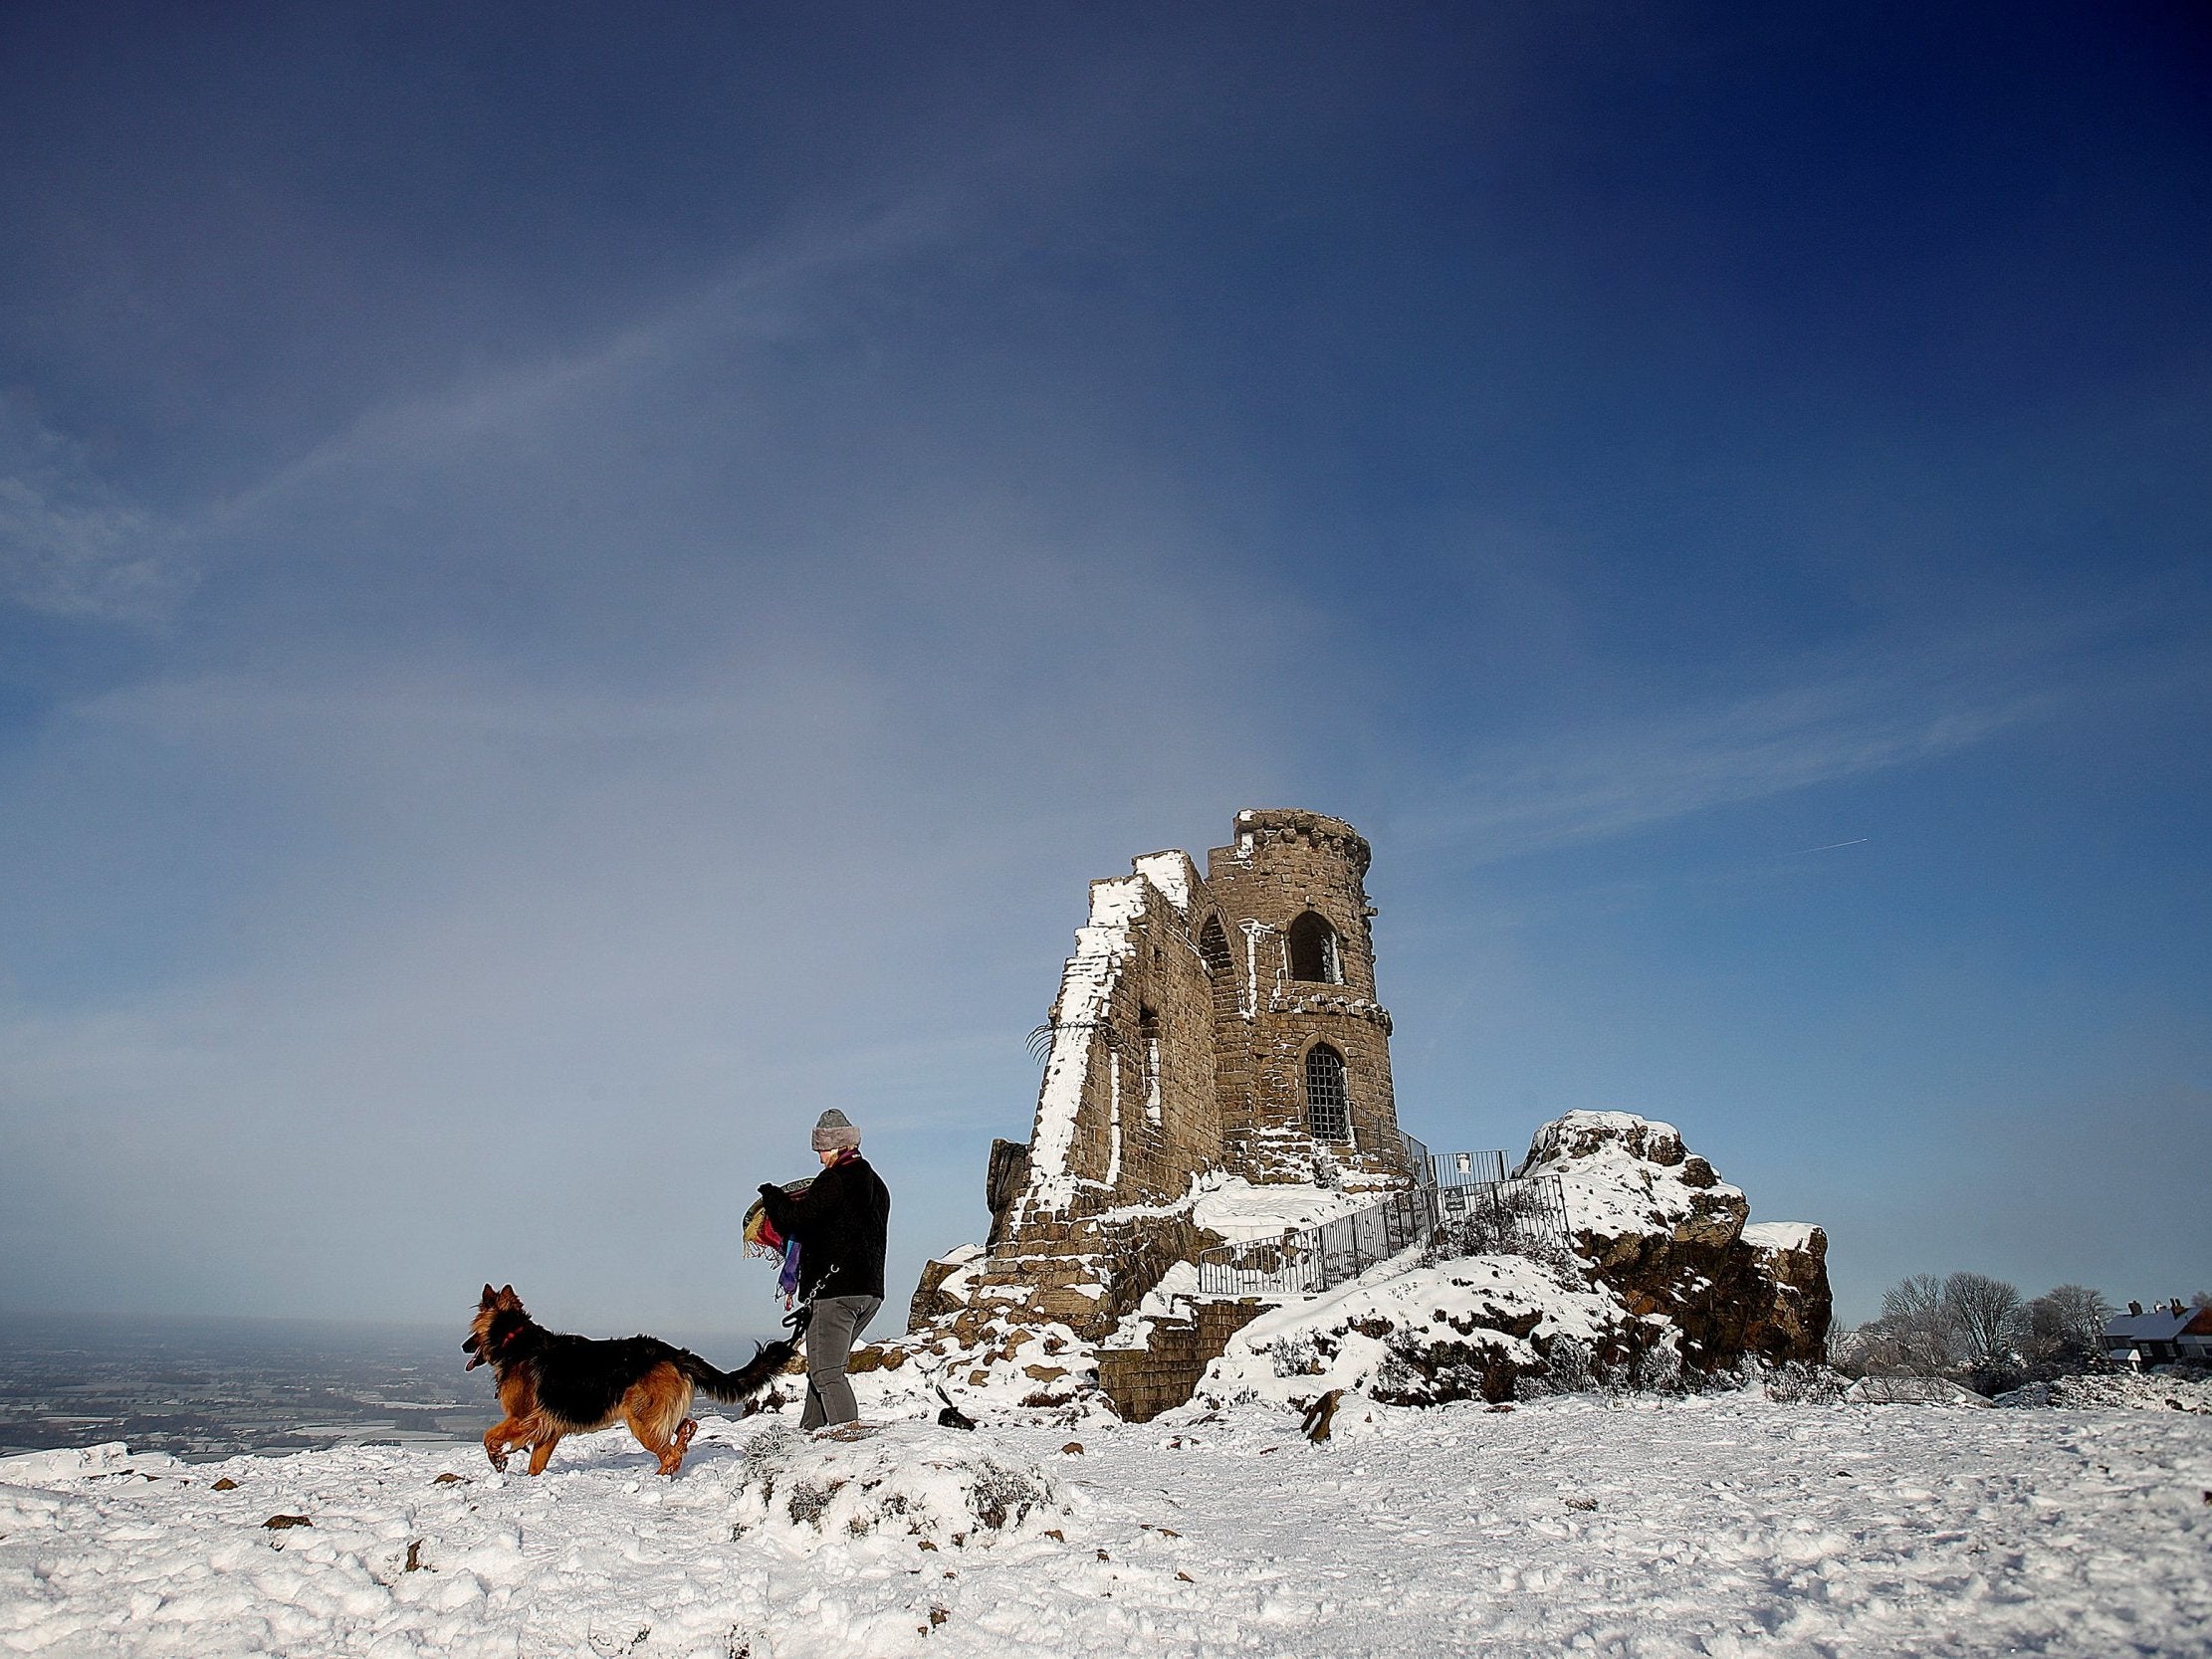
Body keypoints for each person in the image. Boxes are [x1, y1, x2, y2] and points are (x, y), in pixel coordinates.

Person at [755, 1109, 891, 1431]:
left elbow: (795, 1219)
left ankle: (849, 1442)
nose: (819, 1159)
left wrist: (771, 1195)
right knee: (822, 1367)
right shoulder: (877, 1184)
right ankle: (808, 1434)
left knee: (827, 1372)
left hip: (836, 1292)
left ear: (837, 1146)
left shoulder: (835, 1179)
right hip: (869, 1293)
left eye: (821, 1150)